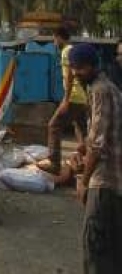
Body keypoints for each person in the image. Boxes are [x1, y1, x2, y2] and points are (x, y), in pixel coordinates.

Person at [68, 43, 122, 274]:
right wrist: (83, 149)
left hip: (104, 183)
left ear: (91, 66)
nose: (75, 73)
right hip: (114, 182)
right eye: (73, 68)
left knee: (96, 257)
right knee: (111, 251)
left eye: (79, 68)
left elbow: (98, 145)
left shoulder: (100, 91)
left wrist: (84, 180)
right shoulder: (109, 89)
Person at [38, 25, 89, 175]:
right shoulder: (74, 50)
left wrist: (66, 100)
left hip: (73, 97)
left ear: (59, 37)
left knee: (54, 125)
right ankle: (84, 162)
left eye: (54, 39)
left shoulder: (66, 51)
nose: (54, 43)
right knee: (81, 131)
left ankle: (54, 162)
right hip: (82, 99)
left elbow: (69, 76)